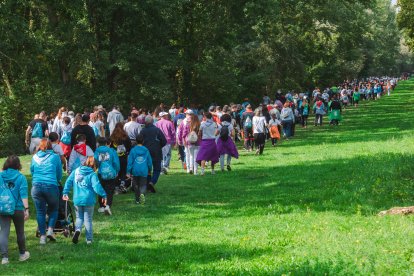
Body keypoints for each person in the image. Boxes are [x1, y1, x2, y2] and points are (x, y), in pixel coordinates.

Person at [63, 156, 107, 245]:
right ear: (94, 166)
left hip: (77, 200)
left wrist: (65, 193)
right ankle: (89, 240)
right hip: (88, 200)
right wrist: (104, 195)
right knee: (88, 220)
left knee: (79, 217)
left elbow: (68, 181)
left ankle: (78, 230)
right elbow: (97, 187)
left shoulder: (76, 171)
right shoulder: (92, 174)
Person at [30, 139, 62, 244]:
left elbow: (32, 171)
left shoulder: (34, 157)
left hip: (36, 187)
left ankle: (42, 237)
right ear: (50, 146)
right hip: (51, 186)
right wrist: (57, 180)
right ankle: (50, 230)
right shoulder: (55, 157)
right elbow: (59, 173)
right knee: (54, 209)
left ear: (40, 146)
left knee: (40, 212)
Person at [0, 156, 30, 264]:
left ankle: (4, 258)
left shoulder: (0, 176)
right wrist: (26, 209)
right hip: (17, 208)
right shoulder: (21, 178)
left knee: (3, 232)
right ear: (18, 165)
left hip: (3, 208)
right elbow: (24, 195)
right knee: (20, 232)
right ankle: (22, 254)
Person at [94, 137, 120, 215]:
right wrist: (116, 170)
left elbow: (96, 162)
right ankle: (108, 206)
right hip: (111, 173)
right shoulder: (111, 151)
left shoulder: (96, 152)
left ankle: (102, 206)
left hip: (101, 173)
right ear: (106, 143)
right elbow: (116, 162)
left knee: (101, 189)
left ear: (98, 143)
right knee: (109, 190)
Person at [140, 115, 167, 187]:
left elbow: (139, 141)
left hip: (145, 152)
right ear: (152, 121)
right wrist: (159, 146)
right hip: (156, 152)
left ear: (145, 122)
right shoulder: (157, 130)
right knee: (157, 169)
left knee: (147, 169)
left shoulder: (143, 131)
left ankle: (147, 183)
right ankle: (152, 182)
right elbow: (164, 141)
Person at [127, 134, 153, 204]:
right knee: (143, 184)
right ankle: (142, 194)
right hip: (144, 170)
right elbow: (149, 161)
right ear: (143, 141)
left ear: (136, 141)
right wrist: (150, 169)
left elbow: (130, 162)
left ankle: (137, 200)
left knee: (136, 185)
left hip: (135, 170)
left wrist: (128, 171)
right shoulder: (146, 150)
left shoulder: (133, 150)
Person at [110, 122, 132, 192]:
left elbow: (110, 147)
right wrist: (126, 152)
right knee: (123, 172)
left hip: (115, 158)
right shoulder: (125, 136)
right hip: (123, 157)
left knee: (116, 172)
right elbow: (129, 147)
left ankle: (116, 186)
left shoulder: (112, 137)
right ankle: (122, 184)